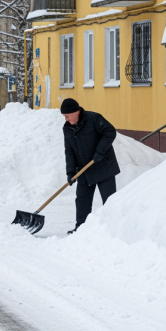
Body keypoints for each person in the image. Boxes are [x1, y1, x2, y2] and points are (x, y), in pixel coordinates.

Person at [61, 98, 120, 235]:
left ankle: (114, 229)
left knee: (109, 200)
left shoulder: (93, 119)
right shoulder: (67, 129)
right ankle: (81, 229)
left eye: (67, 116)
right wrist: (70, 172)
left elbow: (110, 132)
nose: (66, 119)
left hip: (103, 166)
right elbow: (69, 151)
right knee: (82, 200)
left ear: (76, 112)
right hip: (84, 170)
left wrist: (100, 152)